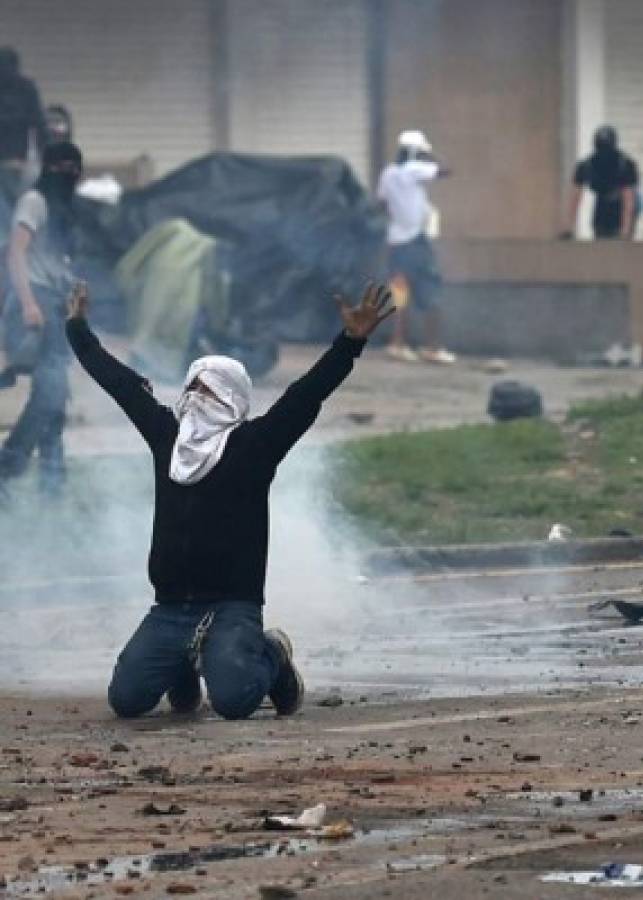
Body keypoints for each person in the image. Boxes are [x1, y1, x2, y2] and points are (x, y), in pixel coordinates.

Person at [64, 280, 395, 719]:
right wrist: (77, 329)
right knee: (126, 700)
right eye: (193, 389)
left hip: (231, 605)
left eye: (211, 391)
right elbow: (121, 385)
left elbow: (306, 394)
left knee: (235, 701)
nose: (198, 400)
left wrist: (350, 342)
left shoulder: (256, 445)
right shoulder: (167, 438)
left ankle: (272, 655)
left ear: (234, 399)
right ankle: (183, 663)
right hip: (170, 608)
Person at [0, 142, 82, 497]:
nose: (69, 174)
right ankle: (9, 464)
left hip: (56, 305)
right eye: (63, 166)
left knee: (54, 394)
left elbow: (59, 263)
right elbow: (15, 253)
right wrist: (29, 303)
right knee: (52, 389)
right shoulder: (35, 201)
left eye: (74, 167)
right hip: (34, 302)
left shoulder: (62, 208)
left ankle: (52, 481)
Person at [377, 129, 454, 365]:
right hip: (416, 242)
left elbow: (381, 203)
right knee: (431, 290)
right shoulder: (414, 169)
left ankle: (397, 344)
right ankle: (433, 347)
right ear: (416, 152)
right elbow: (446, 170)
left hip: (396, 241)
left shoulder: (388, 173)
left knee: (400, 293)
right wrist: (430, 155)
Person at [562, 125, 639, 241]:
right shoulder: (588, 166)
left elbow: (628, 199)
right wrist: (569, 228)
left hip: (620, 207)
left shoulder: (624, 165)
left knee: (618, 242)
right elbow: (575, 198)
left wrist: (625, 230)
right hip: (602, 208)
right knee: (602, 236)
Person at [0, 47, 46, 209]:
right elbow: (39, 123)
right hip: (16, 157)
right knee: (13, 200)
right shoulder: (26, 88)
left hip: (11, 156)